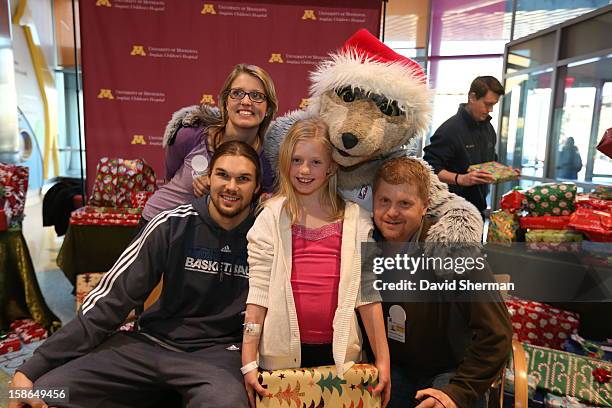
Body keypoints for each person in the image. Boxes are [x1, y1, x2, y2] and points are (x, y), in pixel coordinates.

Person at [9, 141, 262, 408]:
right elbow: (110, 300)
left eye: (243, 179)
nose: (231, 187)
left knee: (226, 403)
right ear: (208, 178)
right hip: (151, 346)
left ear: (257, 187)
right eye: (222, 175)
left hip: (219, 355)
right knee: (47, 394)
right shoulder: (171, 224)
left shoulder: (264, 236)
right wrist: (31, 368)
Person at [241, 118, 391, 408]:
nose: (304, 170)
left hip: (342, 363)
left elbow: (368, 295)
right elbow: (257, 295)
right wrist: (248, 360)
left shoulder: (357, 219)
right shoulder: (271, 217)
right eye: (296, 160)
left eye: (315, 162)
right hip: (280, 365)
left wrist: (382, 360)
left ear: (332, 166)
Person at [371, 157, 513, 408]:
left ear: (425, 206)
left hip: (452, 372)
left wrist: (457, 392)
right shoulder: (367, 245)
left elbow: (497, 333)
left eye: (405, 203)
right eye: (384, 201)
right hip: (395, 367)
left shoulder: (452, 247)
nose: (391, 212)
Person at [142, 63, 278, 222]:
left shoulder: (268, 161)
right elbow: (169, 176)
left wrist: (218, 184)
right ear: (226, 102)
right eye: (237, 93)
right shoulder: (191, 134)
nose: (246, 101)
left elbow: (264, 206)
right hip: (159, 223)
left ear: (268, 108)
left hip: (209, 238)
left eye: (257, 95)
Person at [423, 76, 516, 218]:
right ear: (472, 97)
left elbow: (490, 161)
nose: (490, 110)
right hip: (450, 211)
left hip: (478, 209)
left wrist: (504, 172)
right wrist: (461, 179)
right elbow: (429, 168)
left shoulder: (488, 128)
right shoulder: (450, 129)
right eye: (487, 104)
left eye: (493, 105)